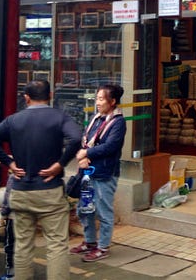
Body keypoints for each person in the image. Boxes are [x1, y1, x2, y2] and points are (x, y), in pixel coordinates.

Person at [0, 80, 82, 280]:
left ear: (26, 97)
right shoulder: (59, 117)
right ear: (50, 95)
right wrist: (60, 163)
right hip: (50, 190)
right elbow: (77, 138)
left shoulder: (14, 120)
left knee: (23, 245)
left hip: (21, 191)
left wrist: (9, 162)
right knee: (57, 245)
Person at [70, 83, 126, 262]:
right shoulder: (97, 118)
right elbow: (86, 141)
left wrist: (87, 153)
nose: (98, 102)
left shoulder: (118, 122)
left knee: (104, 212)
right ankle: (90, 242)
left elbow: (110, 147)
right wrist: (83, 156)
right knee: (84, 210)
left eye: (101, 99)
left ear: (113, 101)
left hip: (104, 174)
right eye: (97, 98)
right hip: (88, 172)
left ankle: (103, 247)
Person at [0, 172, 15, 280]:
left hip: (13, 217)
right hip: (27, 217)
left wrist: (3, 214)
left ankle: (11, 274)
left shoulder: (13, 176)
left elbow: (8, 198)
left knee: (10, 246)